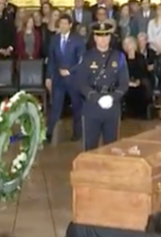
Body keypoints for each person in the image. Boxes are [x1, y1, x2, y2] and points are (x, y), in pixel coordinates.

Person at [78, 22, 129, 151]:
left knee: (112, 147)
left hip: (112, 108)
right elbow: (81, 82)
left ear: (110, 38)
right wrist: (95, 97)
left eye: (106, 36)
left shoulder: (119, 57)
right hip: (92, 107)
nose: (103, 40)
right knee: (90, 147)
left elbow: (124, 83)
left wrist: (113, 97)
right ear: (95, 38)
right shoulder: (87, 57)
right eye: (100, 36)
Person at [45, 14, 84, 143]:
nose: (62, 26)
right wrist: (48, 77)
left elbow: (81, 60)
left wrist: (69, 71)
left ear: (70, 25)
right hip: (58, 80)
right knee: (55, 106)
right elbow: (51, 60)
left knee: (76, 106)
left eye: (65, 24)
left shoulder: (78, 40)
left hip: (73, 79)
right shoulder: (54, 40)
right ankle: (49, 133)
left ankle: (77, 132)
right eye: (60, 24)